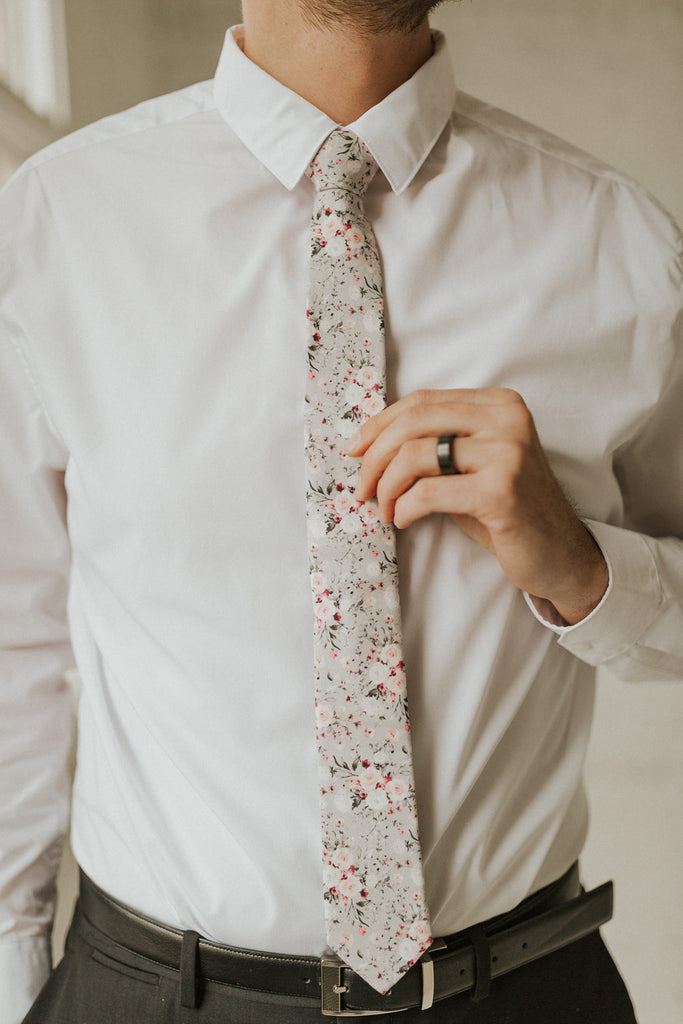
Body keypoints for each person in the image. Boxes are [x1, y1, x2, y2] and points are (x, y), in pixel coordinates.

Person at [1, 1, 681, 1021]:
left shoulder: (618, 242)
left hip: (525, 991)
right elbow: (10, 638)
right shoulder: (58, 222)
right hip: (150, 994)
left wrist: (581, 568)